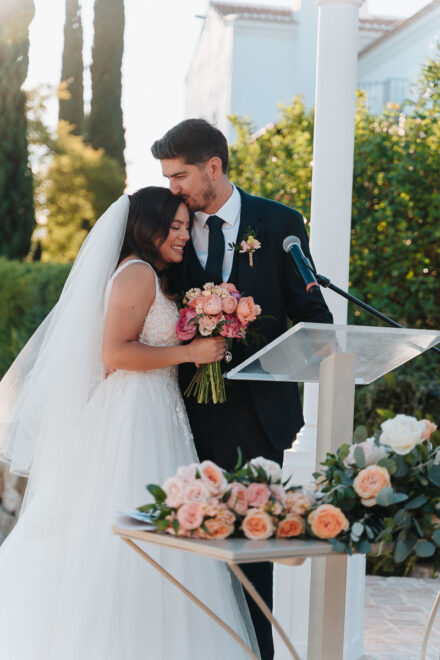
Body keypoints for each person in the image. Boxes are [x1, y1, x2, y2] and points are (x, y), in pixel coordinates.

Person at [0, 187, 259, 659]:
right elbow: (114, 353)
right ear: (146, 227)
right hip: (131, 416)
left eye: (186, 226)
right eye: (175, 227)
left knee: (162, 534)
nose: (183, 235)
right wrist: (190, 352)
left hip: (159, 410)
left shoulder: (155, 275)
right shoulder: (136, 274)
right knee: (128, 528)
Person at [152, 120, 334, 660]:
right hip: (181, 413)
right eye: (166, 177)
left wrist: (260, 340)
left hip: (258, 417)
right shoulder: (170, 226)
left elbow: (313, 317)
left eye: (180, 175)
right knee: (187, 547)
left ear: (214, 167)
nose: (173, 189)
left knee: (251, 550)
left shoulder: (279, 223)